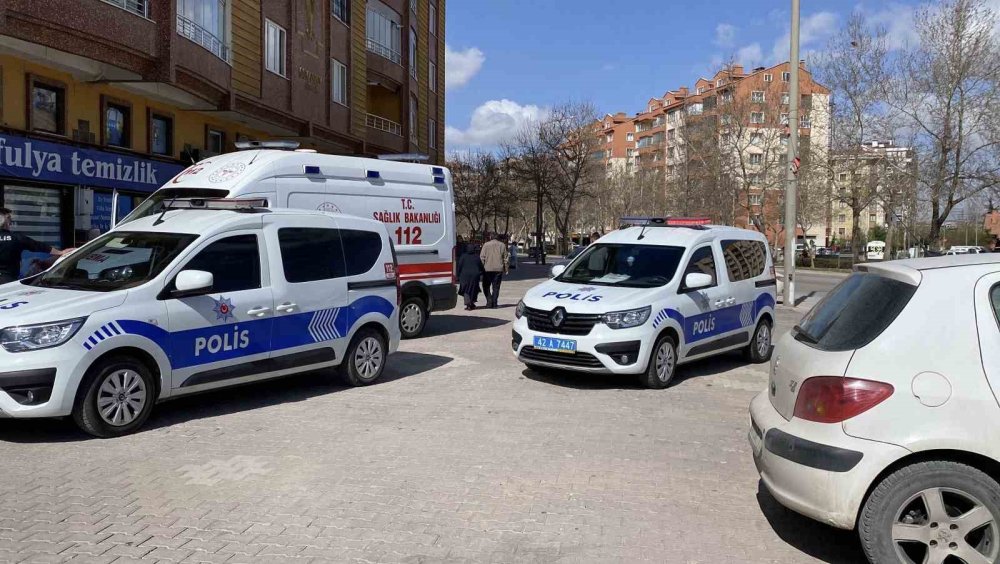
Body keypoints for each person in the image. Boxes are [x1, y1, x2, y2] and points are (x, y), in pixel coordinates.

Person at [0, 207, 66, 284]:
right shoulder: (17, 238)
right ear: (7, 222)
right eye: (10, 219)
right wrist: (60, 252)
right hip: (8, 280)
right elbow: (39, 246)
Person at [480, 232, 509, 309]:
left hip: (487, 269)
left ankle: (489, 301)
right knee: (496, 287)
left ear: (490, 237)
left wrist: (481, 268)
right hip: (498, 269)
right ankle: (494, 303)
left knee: (486, 286)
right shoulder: (502, 245)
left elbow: (482, 257)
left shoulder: (486, 245)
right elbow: (505, 258)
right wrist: (506, 269)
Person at [456, 244, 485, 310]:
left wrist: (458, 275)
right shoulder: (476, 257)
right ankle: (471, 303)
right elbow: (481, 266)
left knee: (466, 289)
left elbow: (459, 266)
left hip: (464, 276)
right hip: (475, 276)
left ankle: (468, 303)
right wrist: (482, 273)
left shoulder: (463, 256)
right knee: (473, 289)